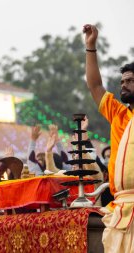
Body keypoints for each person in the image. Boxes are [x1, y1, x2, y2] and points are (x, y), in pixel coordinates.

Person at [84, 24, 134, 252]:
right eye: (122, 81)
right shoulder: (119, 114)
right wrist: (91, 48)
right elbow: (95, 85)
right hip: (118, 206)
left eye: (129, 81)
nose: (123, 85)